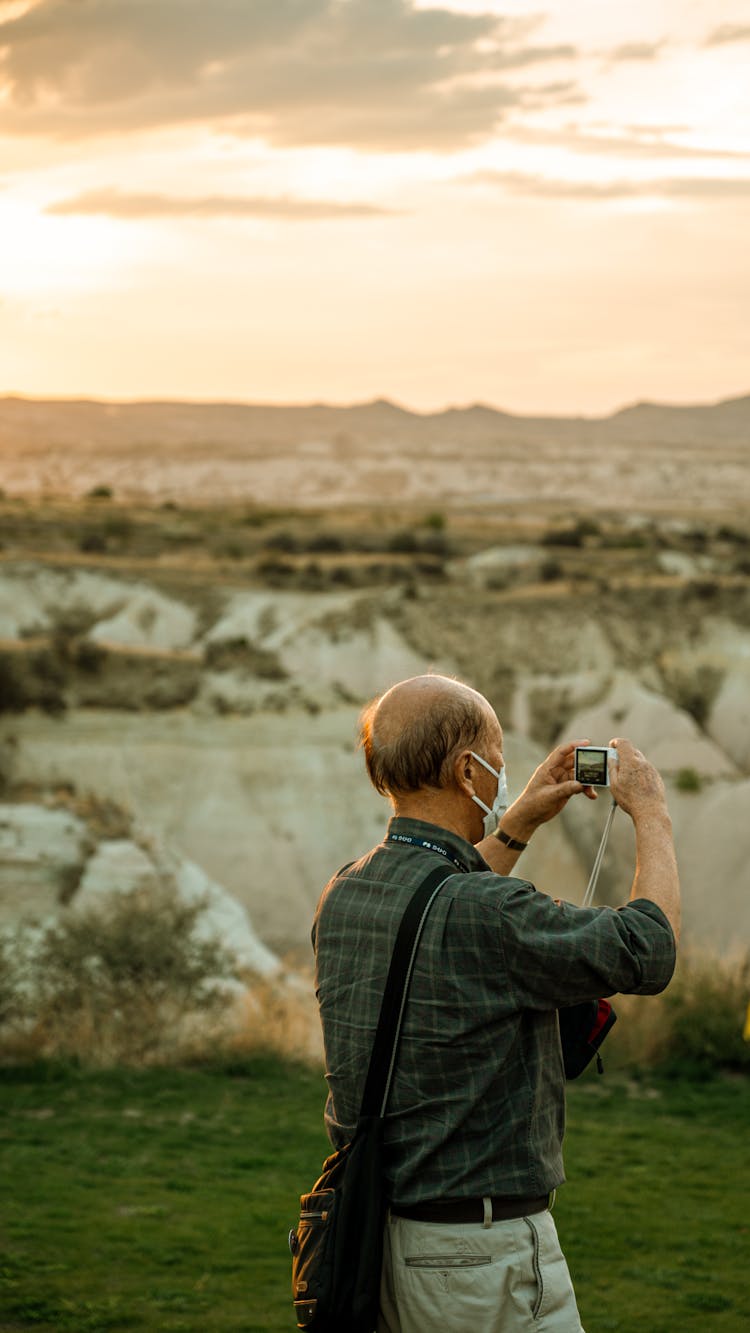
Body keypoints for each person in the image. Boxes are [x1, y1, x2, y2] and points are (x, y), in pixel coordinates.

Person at [312, 674, 679, 1333]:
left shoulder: (346, 892)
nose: (503, 773)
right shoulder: (495, 913)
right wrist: (652, 812)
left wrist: (519, 820)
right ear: (467, 771)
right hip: (483, 1260)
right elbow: (650, 948)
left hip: (382, 1239)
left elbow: (435, 896)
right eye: (498, 760)